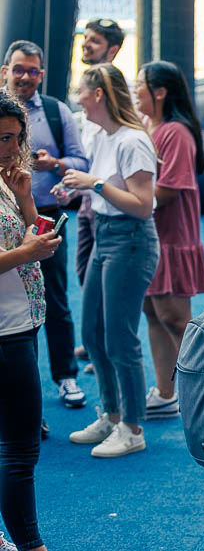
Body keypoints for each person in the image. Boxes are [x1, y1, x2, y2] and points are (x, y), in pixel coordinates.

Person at [61, 64, 159, 458]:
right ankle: (113, 413)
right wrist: (76, 185)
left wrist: (93, 184)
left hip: (130, 241)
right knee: (93, 333)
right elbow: (101, 189)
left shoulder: (132, 140)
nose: (77, 97)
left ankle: (132, 428)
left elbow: (142, 205)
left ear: (98, 93)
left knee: (119, 338)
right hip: (106, 234)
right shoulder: (99, 133)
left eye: (80, 90)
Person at [2, 40, 89, 410]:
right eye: (19, 69)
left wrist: (54, 163)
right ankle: (22, 395)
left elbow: (81, 162)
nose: (25, 77)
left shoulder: (55, 111)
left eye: (33, 71)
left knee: (50, 297)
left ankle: (63, 376)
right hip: (14, 220)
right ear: (5, 71)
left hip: (41, 215)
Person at [0, 90, 60, 551]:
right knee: (20, 451)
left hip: (22, 321)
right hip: (6, 331)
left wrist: (24, 200)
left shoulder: (6, 179)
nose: (9, 148)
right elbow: (20, 250)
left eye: (15, 138)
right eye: (1, 138)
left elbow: (28, 233)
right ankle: (32, 546)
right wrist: (27, 251)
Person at [134, 61, 204, 419]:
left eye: (140, 86)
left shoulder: (176, 132)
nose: (135, 92)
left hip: (172, 237)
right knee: (153, 312)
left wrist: (127, 201)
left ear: (160, 92)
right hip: (152, 236)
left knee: (176, 318)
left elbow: (171, 186)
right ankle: (166, 391)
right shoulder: (151, 126)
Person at [74, 18, 127, 370]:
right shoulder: (84, 88)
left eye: (94, 41)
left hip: (105, 200)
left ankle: (105, 347)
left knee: (109, 280)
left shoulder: (115, 93)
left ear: (113, 49)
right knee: (85, 270)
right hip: (87, 198)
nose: (86, 45)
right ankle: (95, 337)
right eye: (86, 39)